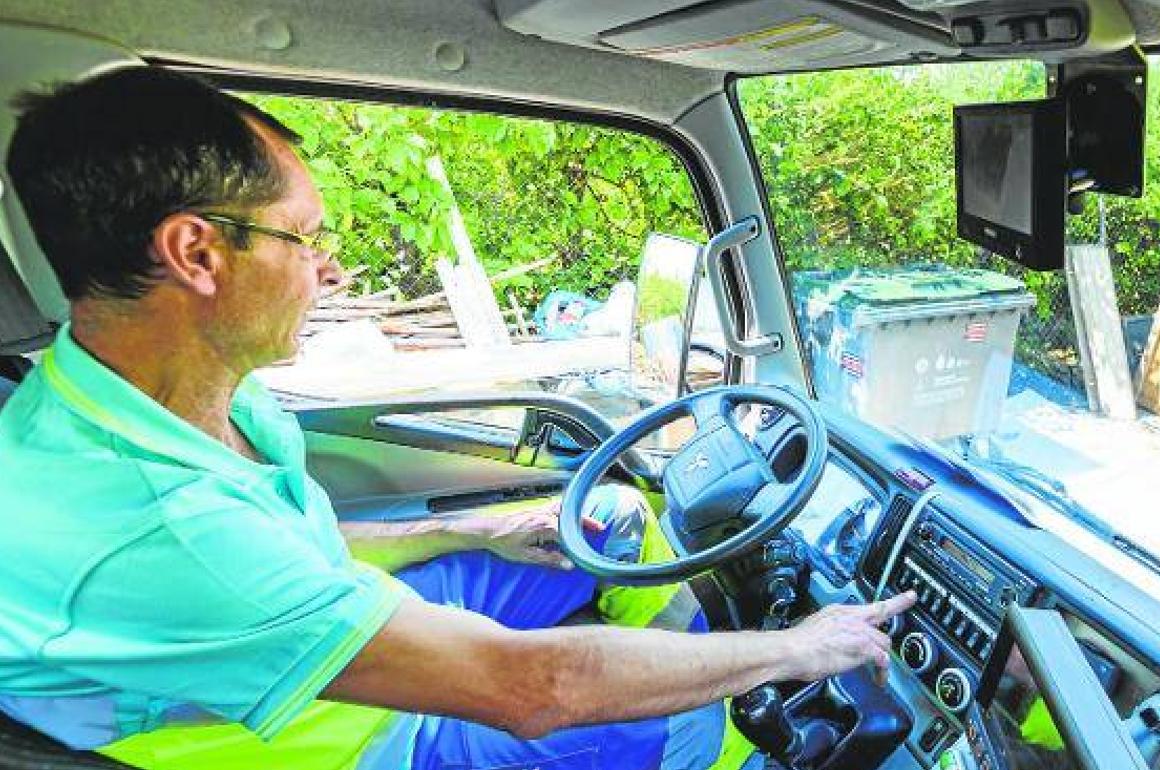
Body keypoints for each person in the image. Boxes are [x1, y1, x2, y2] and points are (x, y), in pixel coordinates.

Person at [0, 66, 914, 770]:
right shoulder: (162, 529)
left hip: (333, 644)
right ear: (196, 252)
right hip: (355, 743)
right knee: (663, 716)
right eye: (304, 238)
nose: (333, 271)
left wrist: (482, 527)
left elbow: (286, 545)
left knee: (596, 528)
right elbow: (534, 688)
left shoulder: (146, 395)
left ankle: (690, 663)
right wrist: (798, 648)